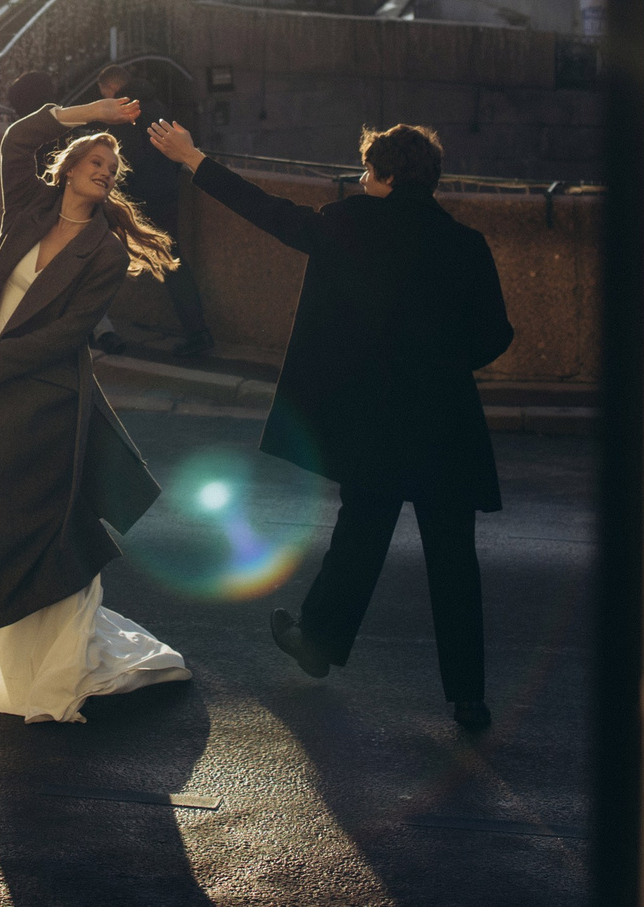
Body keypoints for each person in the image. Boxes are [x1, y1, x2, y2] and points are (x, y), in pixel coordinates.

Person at [146, 117, 513, 731]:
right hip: (446, 425)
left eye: (369, 169)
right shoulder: (466, 244)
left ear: (387, 174)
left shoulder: (347, 227)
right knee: (454, 561)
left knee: (359, 538)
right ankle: (468, 697)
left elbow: (267, 212)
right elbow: (494, 335)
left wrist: (193, 159)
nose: (363, 178)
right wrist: (446, 364)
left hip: (374, 424)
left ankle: (317, 644)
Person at [0, 96, 189, 723]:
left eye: (113, 165)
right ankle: (6, 653)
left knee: (29, 522)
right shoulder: (27, 211)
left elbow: (65, 335)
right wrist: (86, 112)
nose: (106, 169)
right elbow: (15, 141)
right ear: (71, 166)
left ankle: (50, 661)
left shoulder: (104, 250)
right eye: (96, 160)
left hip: (48, 400)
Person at [94, 63, 214, 357]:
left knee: (96, 256)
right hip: (167, 195)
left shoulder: (124, 114)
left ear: (111, 89)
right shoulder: (158, 105)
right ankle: (198, 333)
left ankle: (95, 327)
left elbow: (123, 162)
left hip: (137, 201)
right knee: (172, 263)